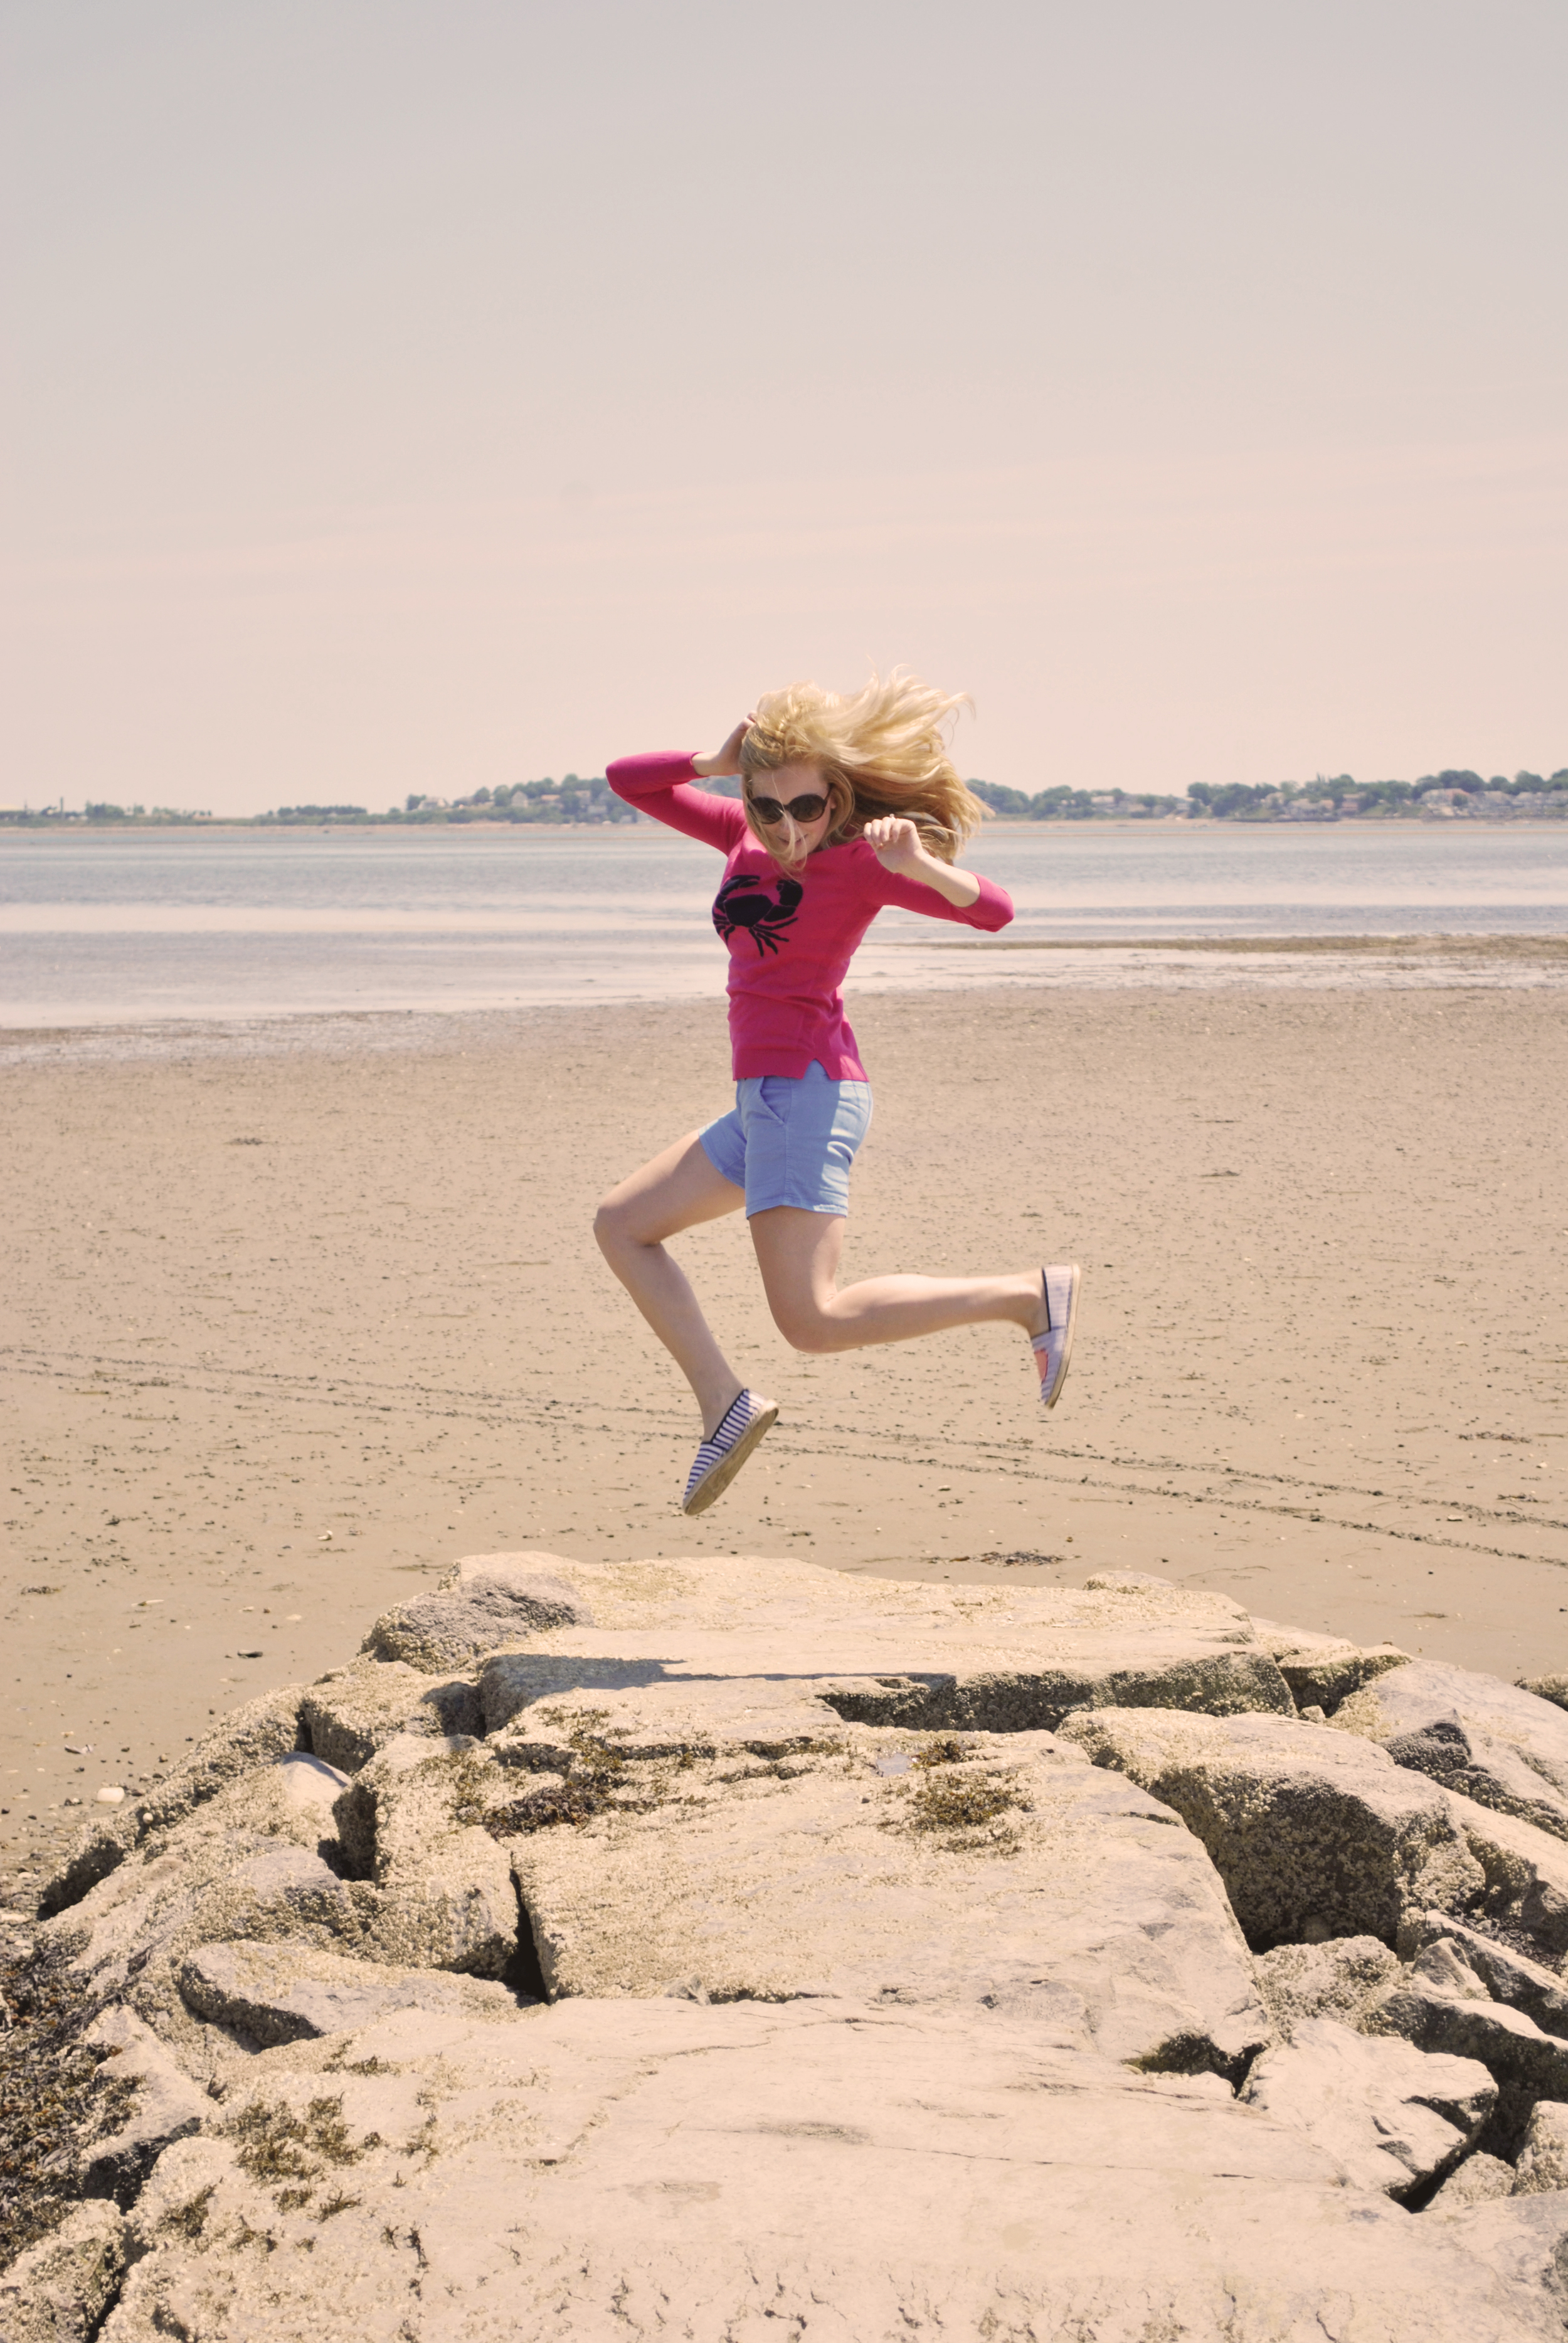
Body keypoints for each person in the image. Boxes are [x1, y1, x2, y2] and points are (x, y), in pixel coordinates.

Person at [594, 670, 1081, 1515]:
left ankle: (1026, 1297)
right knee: (622, 1225)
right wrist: (714, 759)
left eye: (808, 808)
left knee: (813, 1321)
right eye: (770, 807)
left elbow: (995, 912)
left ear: (838, 797)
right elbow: (626, 780)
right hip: (765, 1103)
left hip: (805, 1094)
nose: (788, 829)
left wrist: (922, 864)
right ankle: (724, 1404)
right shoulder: (740, 835)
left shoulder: (861, 865)